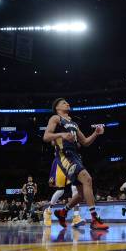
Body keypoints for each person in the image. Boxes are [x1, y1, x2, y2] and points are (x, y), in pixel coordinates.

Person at [43, 98, 108, 230]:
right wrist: (61, 135)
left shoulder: (73, 124)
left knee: (81, 194)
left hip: (75, 156)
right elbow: (46, 136)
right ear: (57, 108)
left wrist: (95, 133)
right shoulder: (56, 118)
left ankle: (63, 212)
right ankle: (94, 219)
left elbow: (85, 142)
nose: (67, 103)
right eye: (63, 103)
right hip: (64, 156)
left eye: (67, 102)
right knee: (87, 179)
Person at [44, 155, 84, 227]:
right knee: (60, 190)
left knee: (75, 187)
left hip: (72, 158)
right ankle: (48, 210)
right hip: (61, 160)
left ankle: (76, 217)